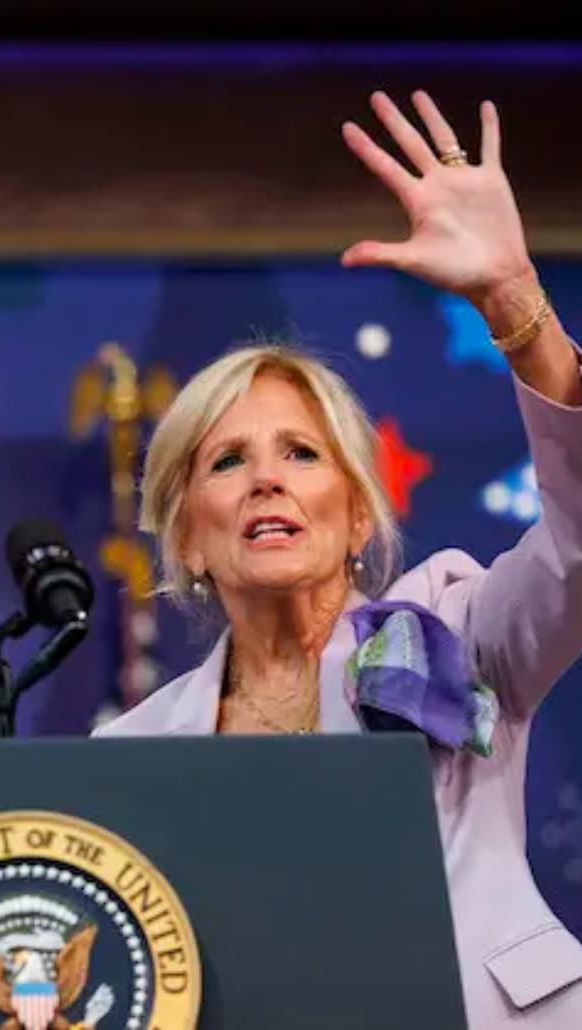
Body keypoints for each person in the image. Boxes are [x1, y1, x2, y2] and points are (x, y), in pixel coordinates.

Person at [93, 91, 582, 1027]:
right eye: (228, 462)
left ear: (359, 515)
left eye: (302, 454)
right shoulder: (132, 754)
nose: (267, 481)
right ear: (189, 534)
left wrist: (513, 297)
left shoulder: (459, 630)